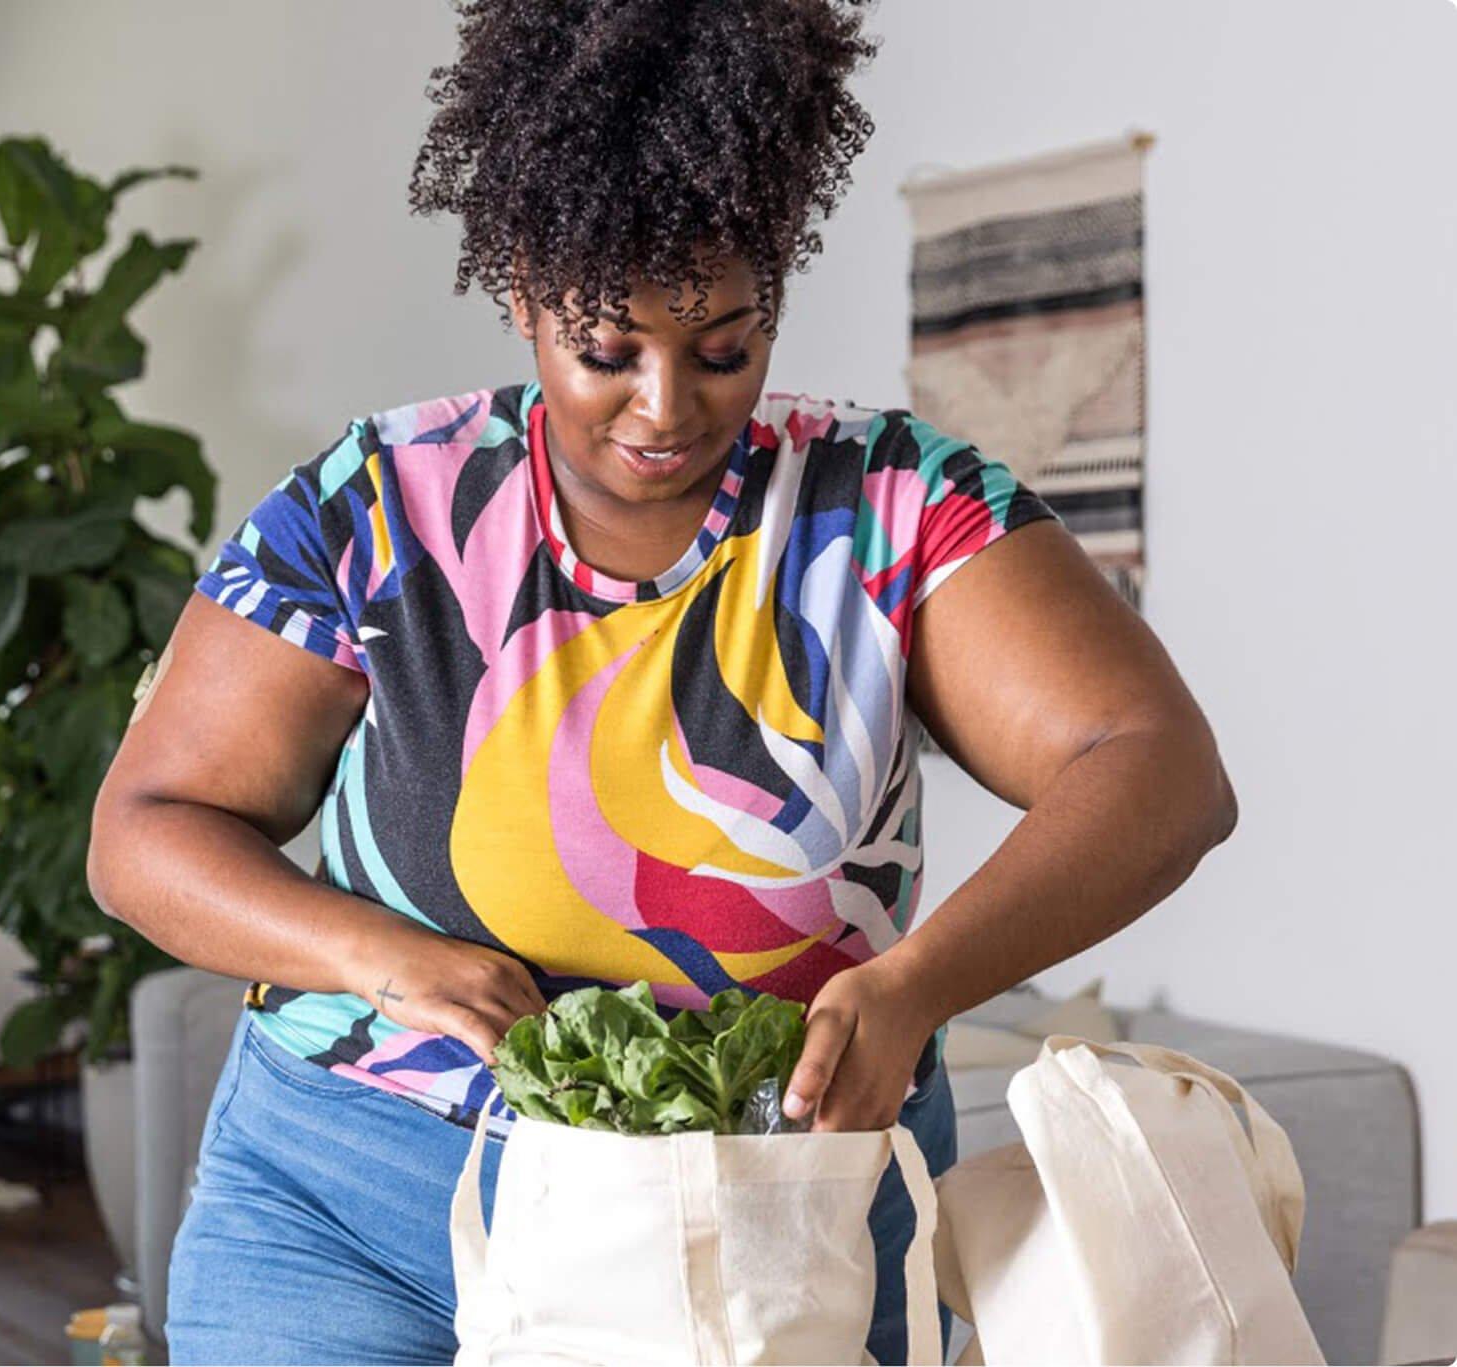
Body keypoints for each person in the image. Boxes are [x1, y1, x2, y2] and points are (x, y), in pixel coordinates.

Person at [88, 2, 1237, 1362]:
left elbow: (1159, 771)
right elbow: (144, 831)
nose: (666, 407)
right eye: (607, 349)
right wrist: (379, 957)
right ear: (520, 287)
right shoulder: (375, 508)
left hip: (782, 1222)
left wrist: (919, 984)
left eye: (722, 347)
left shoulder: (895, 508)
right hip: (364, 1207)